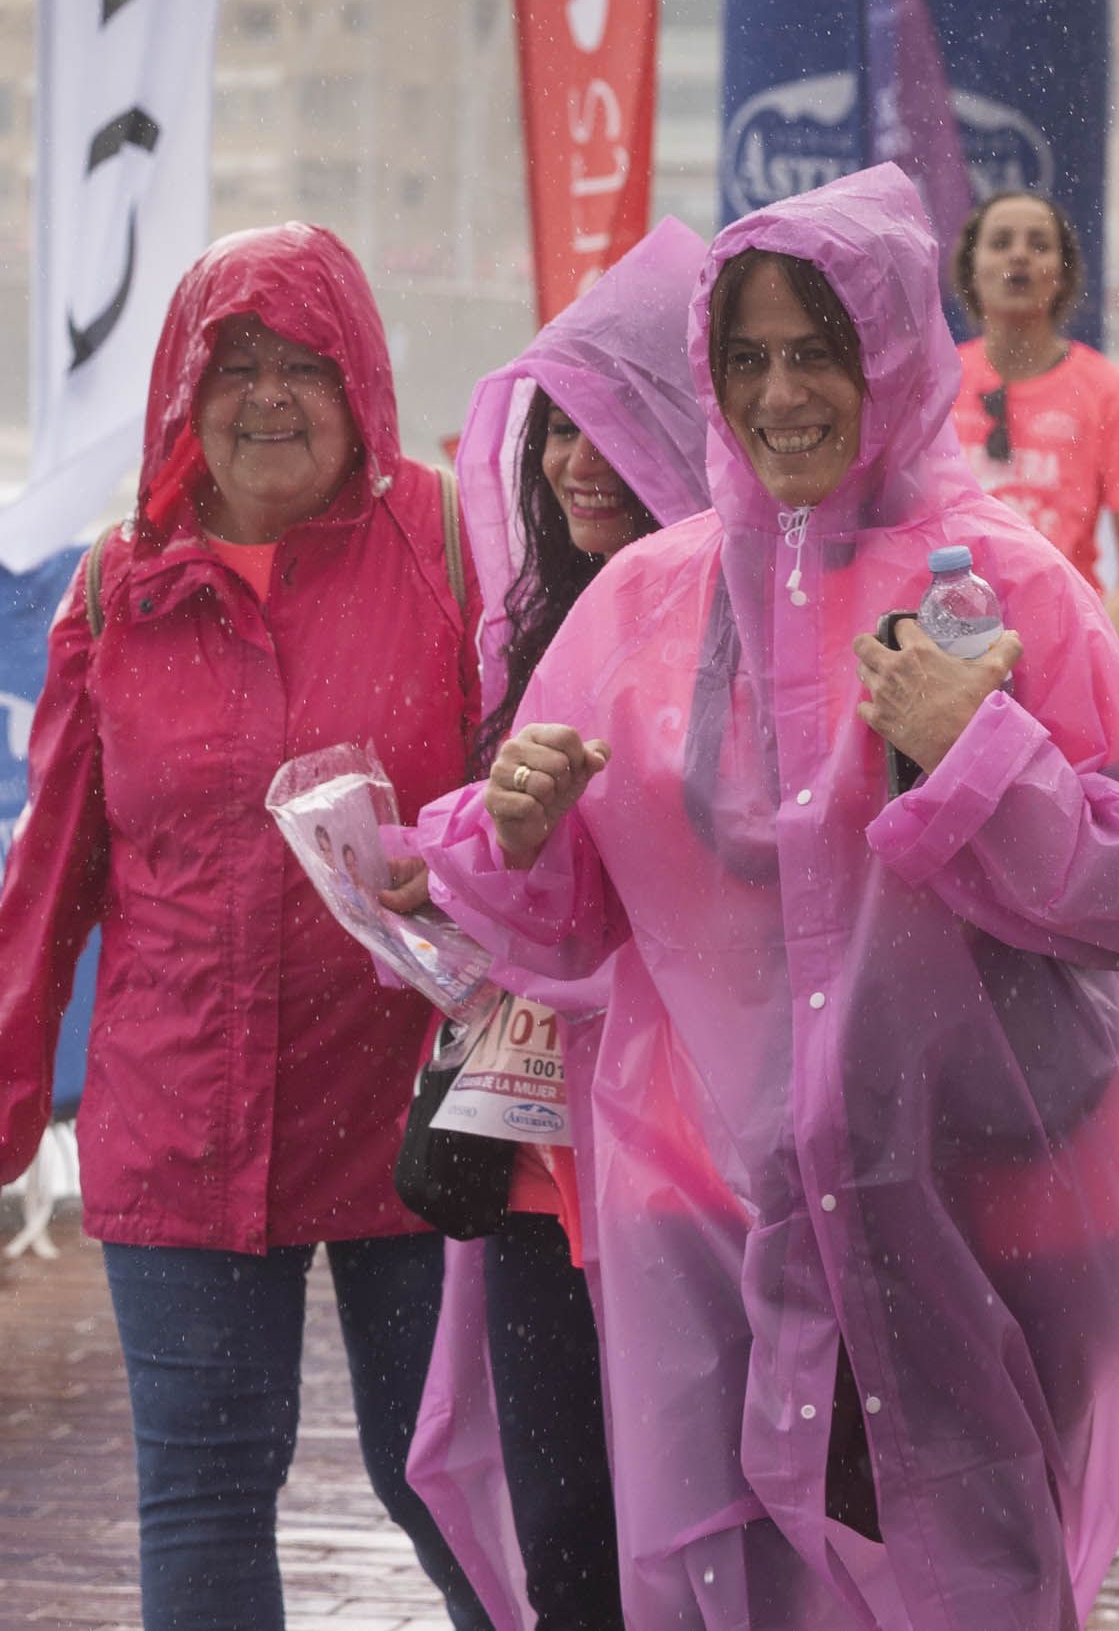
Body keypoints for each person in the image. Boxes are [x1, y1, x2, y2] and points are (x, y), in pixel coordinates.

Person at [408, 167, 1119, 1629]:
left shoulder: (1006, 586)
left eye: (817, 349)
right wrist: (512, 828)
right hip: (711, 1225)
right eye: (746, 356)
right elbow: (567, 916)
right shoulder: (645, 598)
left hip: (962, 1207)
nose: (782, 395)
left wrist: (982, 750)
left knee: (969, 1579)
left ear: (892, 352)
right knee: (728, 1586)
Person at [0, 224, 492, 1631]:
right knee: (205, 1488)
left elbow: (544, 783)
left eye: (304, 362)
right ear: (182, 389)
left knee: (456, 1480)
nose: (270, 396)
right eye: (235, 365)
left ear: (363, 379)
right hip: (182, 1115)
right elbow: (48, 881)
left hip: (418, 1103)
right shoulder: (118, 583)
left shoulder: (457, 539)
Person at [409, 215, 715, 1631]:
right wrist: (439, 871)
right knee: (570, 1541)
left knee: (704, 1536)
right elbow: (529, 896)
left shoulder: (744, 622)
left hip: (689, 1161)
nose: (576, 462)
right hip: (533, 1158)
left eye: (615, 421)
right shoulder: (530, 625)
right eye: (556, 427)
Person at [951, 186, 1119, 655]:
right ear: (972, 268)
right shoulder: (935, 384)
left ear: (1062, 277)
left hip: (1063, 641)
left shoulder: (1109, 392)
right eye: (1001, 242)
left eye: (1039, 245)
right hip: (946, 644)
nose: (1020, 256)